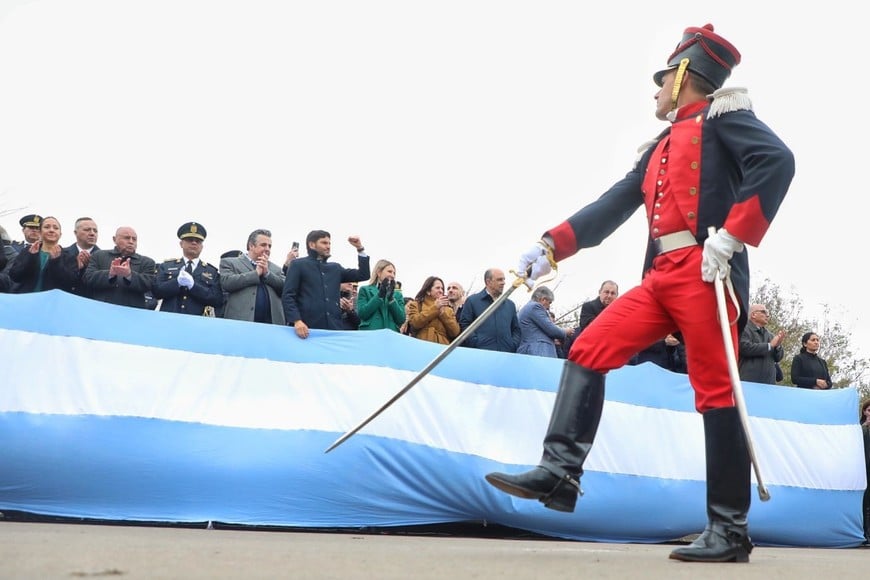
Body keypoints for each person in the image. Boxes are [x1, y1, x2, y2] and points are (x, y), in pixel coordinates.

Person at [484, 24, 794, 564]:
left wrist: (732, 235)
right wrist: (550, 245)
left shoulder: (726, 119)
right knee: (587, 347)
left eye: (660, 82)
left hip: (705, 269)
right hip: (659, 279)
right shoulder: (657, 148)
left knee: (715, 392)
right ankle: (560, 475)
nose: (654, 93)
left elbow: (778, 161)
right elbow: (612, 205)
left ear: (683, 76)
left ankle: (729, 528)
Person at [282, 230, 370, 338]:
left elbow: (363, 275)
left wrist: (360, 248)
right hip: (306, 330)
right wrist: (297, 321)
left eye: (329, 243)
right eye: (324, 243)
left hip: (334, 330)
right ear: (312, 245)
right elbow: (288, 296)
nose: (328, 246)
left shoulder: (335, 268)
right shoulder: (298, 265)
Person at [152, 222, 223, 316]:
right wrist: (176, 283)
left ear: (202, 247)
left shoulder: (211, 271)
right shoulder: (166, 266)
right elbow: (156, 291)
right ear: (181, 244)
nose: (194, 243)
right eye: (190, 240)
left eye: (198, 241)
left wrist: (193, 286)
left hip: (196, 321)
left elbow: (217, 299)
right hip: (168, 318)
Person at [220, 229, 286, 324]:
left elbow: (285, 288)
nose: (267, 249)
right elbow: (226, 283)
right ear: (251, 246)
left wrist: (267, 274)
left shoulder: (276, 269)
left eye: (269, 246)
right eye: (263, 245)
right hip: (240, 324)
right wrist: (256, 274)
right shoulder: (230, 263)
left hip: (271, 325)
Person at [84, 226, 157, 308]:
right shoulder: (99, 255)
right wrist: (110, 274)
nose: (131, 242)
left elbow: (149, 285)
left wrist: (129, 275)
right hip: (101, 310)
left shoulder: (147, 262)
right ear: (114, 239)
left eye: (134, 239)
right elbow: (87, 279)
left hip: (131, 313)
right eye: (126, 238)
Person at [8, 216, 78, 293]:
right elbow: (15, 276)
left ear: (60, 234)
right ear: (40, 232)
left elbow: (70, 283)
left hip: (52, 301)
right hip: (26, 299)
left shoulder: (69, 256)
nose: (51, 230)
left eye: (55, 228)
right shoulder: (27, 251)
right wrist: (31, 257)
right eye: (47, 227)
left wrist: (56, 261)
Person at [458, 268, 521, 353]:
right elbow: (465, 324)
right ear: (488, 282)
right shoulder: (472, 301)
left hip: (506, 355)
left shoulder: (510, 305)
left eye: (503, 279)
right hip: (481, 355)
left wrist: (512, 345)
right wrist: (476, 343)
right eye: (499, 280)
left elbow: (516, 330)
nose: (503, 283)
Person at [517, 286, 574, 358]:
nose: (549, 307)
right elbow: (551, 329)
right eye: (549, 303)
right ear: (543, 300)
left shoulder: (526, 308)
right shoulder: (535, 307)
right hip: (538, 351)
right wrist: (565, 331)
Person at [738, 304, 785, 385]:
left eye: (768, 313)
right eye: (764, 312)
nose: (768, 315)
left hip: (768, 383)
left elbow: (778, 358)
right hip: (749, 381)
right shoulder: (744, 329)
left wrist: (778, 346)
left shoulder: (770, 335)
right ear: (753, 315)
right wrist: (769, 346)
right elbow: (744, 348)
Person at [406, 276, 460, 345]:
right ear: (428, 291)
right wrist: (435, 308)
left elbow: (455, 332)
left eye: (442, 288)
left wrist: (443, 314)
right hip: (421, 345)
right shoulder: (416, 304)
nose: (441, 291)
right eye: (437, 288)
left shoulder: (448, 309)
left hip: (442, 347)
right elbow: (415, 323)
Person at [356, 259, 406, 332]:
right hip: (371, 334)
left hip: (390, 335)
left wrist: (391, 300)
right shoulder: (365, 290)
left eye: (394, 273)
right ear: (379, 272)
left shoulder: (397, 295)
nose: (392, 275)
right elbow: (362, 314)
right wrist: (379, 296)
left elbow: (401, 319)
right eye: (389, 271)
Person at [62, 216, 100, 298]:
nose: (92, 233)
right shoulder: (62, 254)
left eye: (95, 231)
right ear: (75, 233)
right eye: (87, 230)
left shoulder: (104, 258)